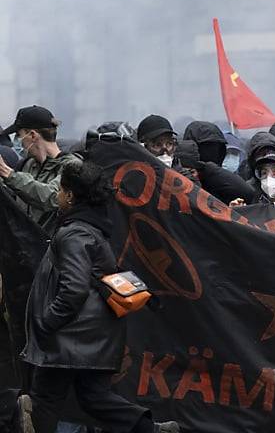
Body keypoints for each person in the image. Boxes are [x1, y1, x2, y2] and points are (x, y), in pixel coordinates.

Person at [21, 161, 179, 433]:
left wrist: (47, 322)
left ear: (70, 196)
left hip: (71, 336)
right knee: (95, 398)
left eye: (60, 190)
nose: (57, 195)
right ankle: (153, 431)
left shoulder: (74, 233)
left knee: (45, 399)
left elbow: (74, 288)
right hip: (93, 335)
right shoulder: (93, 228)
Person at [0, 106, 81, 234]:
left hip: (53, 247)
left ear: (32, 135)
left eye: (19, 135)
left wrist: (6, 172)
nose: (18, 141)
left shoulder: (72, 166)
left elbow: (53, 197)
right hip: (27, 246)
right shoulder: (27, 165)